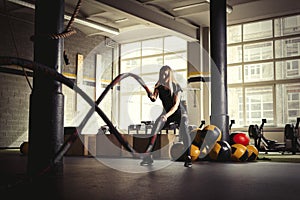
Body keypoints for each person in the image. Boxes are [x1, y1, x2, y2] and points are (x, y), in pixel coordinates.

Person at [140, 65, 192, 167]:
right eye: (162, 74)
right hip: (167, 113)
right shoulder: (158, 86)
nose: (163, 76)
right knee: (155, 128)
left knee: (185, 130)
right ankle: (148, 157)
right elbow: (153, 98)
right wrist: (148, 92)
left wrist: (166, 116)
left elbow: (176, 105)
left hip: (179, 113)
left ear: (170, 75)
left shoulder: (176, 86)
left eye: (166, 74)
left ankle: (188, 157)